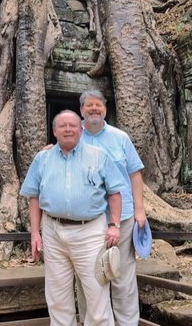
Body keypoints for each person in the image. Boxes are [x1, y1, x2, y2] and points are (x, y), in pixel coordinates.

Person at [20, 109, 124, 326]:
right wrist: (35, 233)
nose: (68, 129)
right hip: (53, 231)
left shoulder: (98, 156)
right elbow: (33, 196)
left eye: (73, 125)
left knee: (97, 293)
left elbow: (115, 192)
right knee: (58, 296)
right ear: (54, 131)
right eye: (63, 126)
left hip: (90, 232)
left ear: (81, 129)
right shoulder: (43, 158)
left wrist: (114, 225)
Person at [79, 90, 146, 326]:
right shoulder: (73, 135)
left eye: (98, 105)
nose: (94, 109)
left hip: (125, 216)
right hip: (88, 218)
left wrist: (140, 210)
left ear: (105, 109)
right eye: (89, 105)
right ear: (82, 110)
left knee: (123, 275)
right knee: (90, 276)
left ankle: (127, 323)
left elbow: (135, 174)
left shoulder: (120, 137)